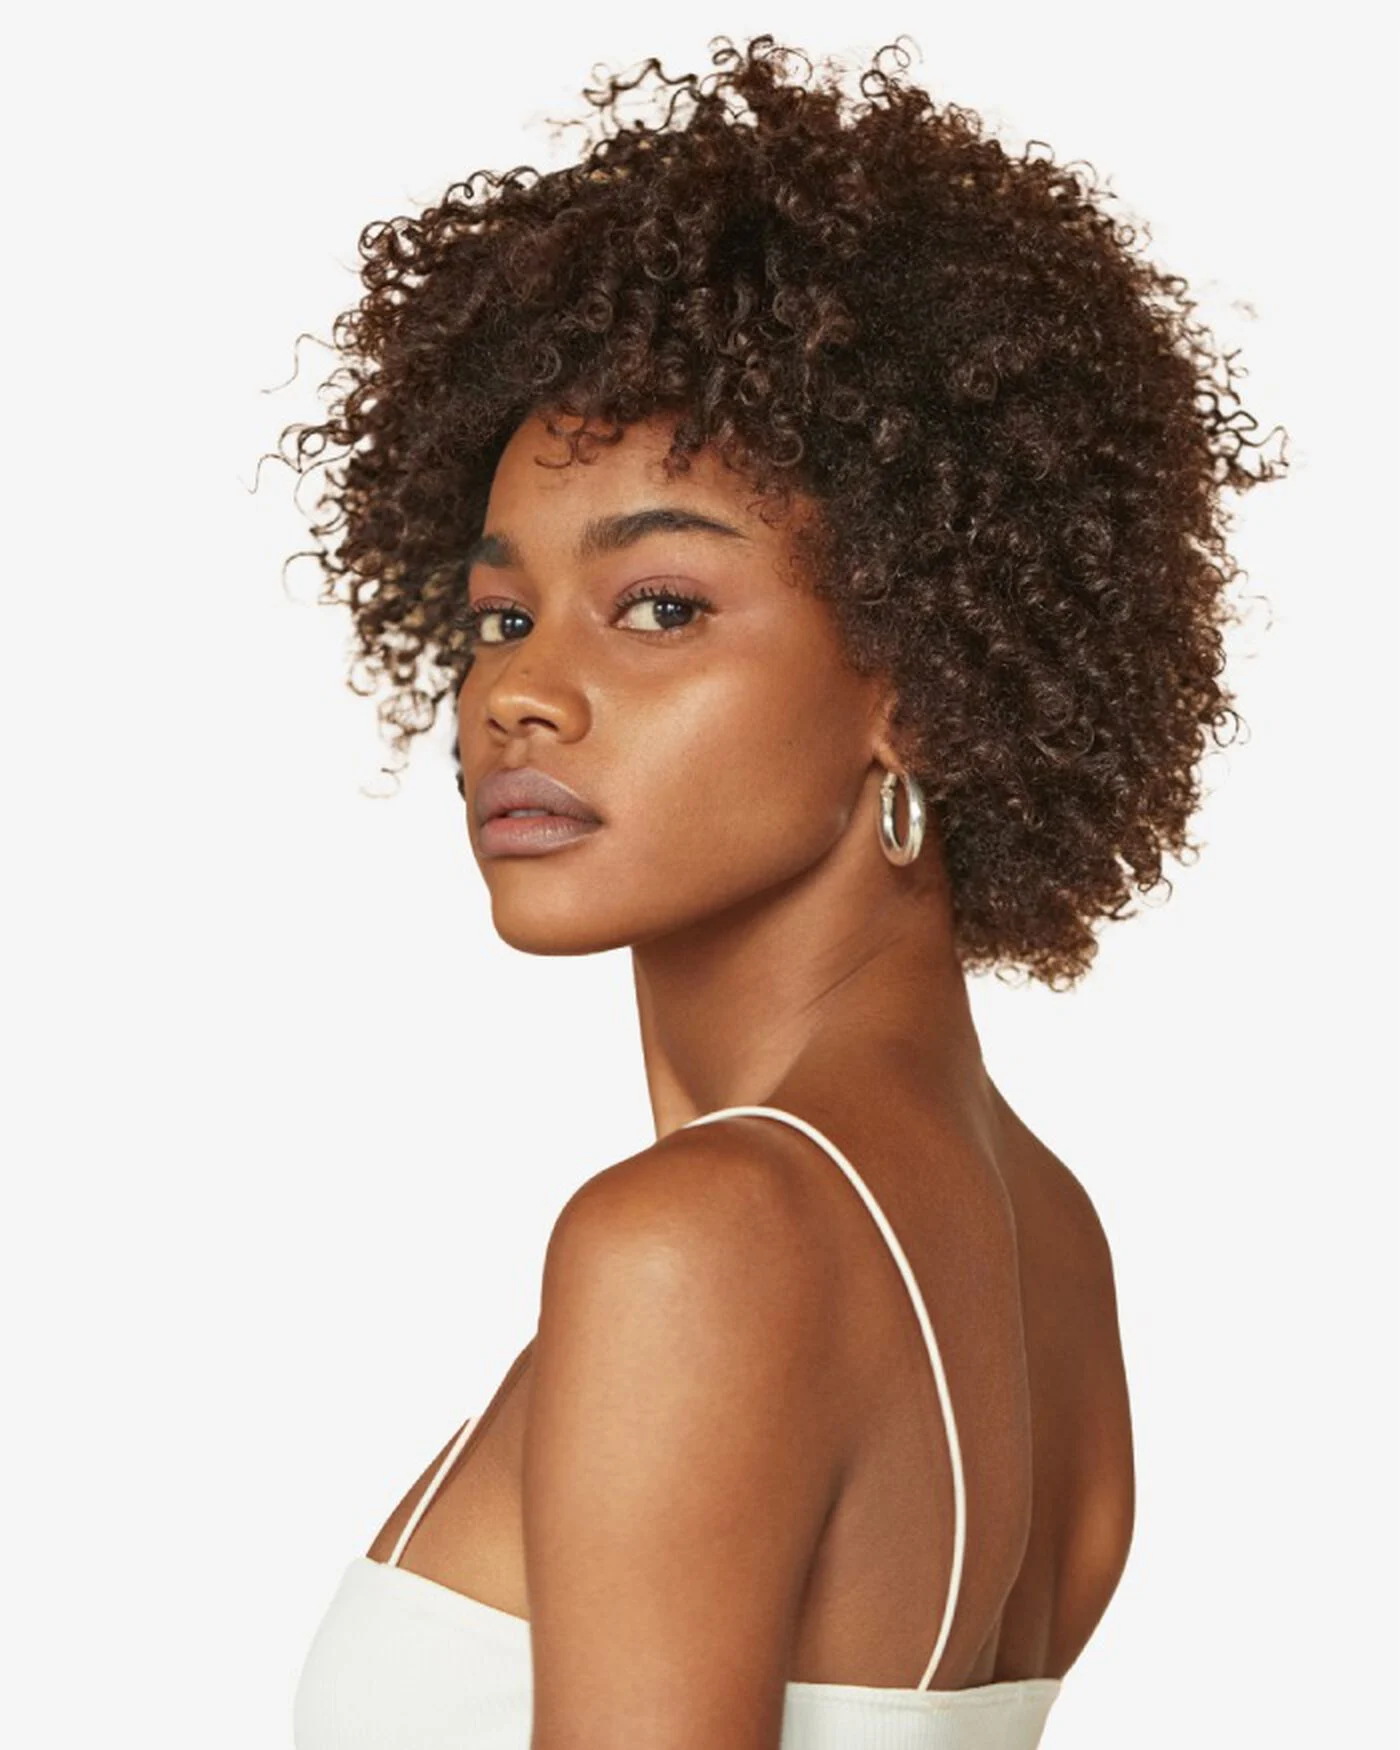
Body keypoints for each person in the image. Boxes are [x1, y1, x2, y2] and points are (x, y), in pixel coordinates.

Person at [282, 34, 1286, 1750]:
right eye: (501, 615)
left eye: (662, 606)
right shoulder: (1049, 1239)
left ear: (920, 678)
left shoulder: (697, 1243)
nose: (519, 692)